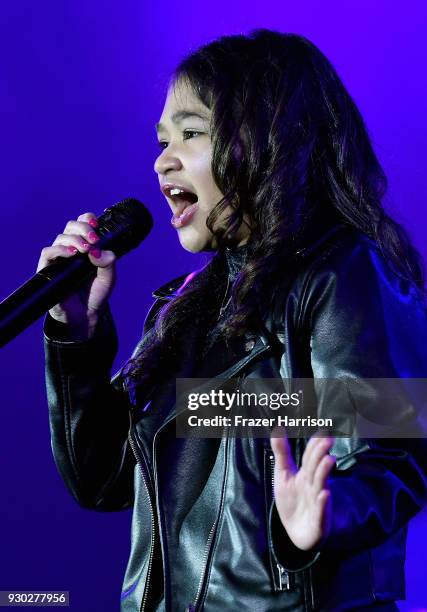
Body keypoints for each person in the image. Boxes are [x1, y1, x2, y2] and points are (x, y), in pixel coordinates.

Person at [39, 29, 427, 611]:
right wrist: (76, 333)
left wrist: (319, 518)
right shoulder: (188, 308)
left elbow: (392, 450)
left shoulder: (343, 273)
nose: (161, 160)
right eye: (161, 140)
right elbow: (102, 479)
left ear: (270, 141)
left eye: (191, 134)